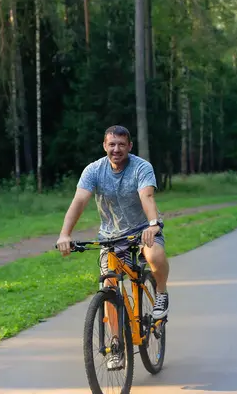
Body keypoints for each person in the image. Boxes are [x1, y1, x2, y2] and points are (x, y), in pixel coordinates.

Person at [56, 124, 170, 329]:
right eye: (112, 144)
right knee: (109, 286)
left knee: (154, 256)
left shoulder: (141, 167)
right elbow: (79, 201)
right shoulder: (93, 170)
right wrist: (65, 234)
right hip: (111, 236)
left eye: (121, 145)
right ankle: (116, 345)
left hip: (143, 230)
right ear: (104, 146)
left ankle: (161, 293)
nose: (116, 149)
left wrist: (153, 224)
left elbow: (147, 196)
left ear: (130, 146)